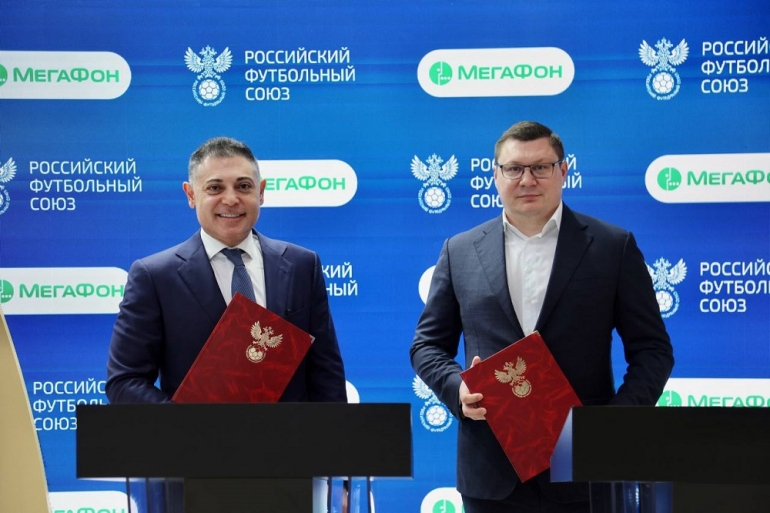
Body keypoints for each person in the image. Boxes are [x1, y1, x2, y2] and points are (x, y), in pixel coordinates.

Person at [410, 121, 674, 513]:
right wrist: (457, 389)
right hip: (490, 472)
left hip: (583, 468)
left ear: (563, 171)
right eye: (514, 168)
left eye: (541, 167)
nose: (527, 179)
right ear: (496, 175)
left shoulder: (612, 247)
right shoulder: (459, 251)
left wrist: (612, 426)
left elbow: (653, 350)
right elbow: (427, 345)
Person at [107, 136, 347, 404]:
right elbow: (124, 382)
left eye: (243, 186)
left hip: (290, 431)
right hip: (193, 432)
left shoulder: (302, 265)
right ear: (191, 194)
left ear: (261, 192)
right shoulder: (154, 277)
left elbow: (327, 377)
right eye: (215, 188)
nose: (231, 199)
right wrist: (189, 422)